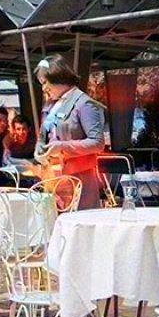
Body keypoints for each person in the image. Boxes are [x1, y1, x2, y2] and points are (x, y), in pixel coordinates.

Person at [34, 54, 105, 210]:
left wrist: (62, 147)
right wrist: (39, 149)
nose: (44, 88)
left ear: (57, 77)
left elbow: (98, 142)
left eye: (45, 82)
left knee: (78, 223)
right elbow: (43, 136)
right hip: (52, 179)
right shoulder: (50, 105)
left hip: (79, 179)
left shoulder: (84, 104)